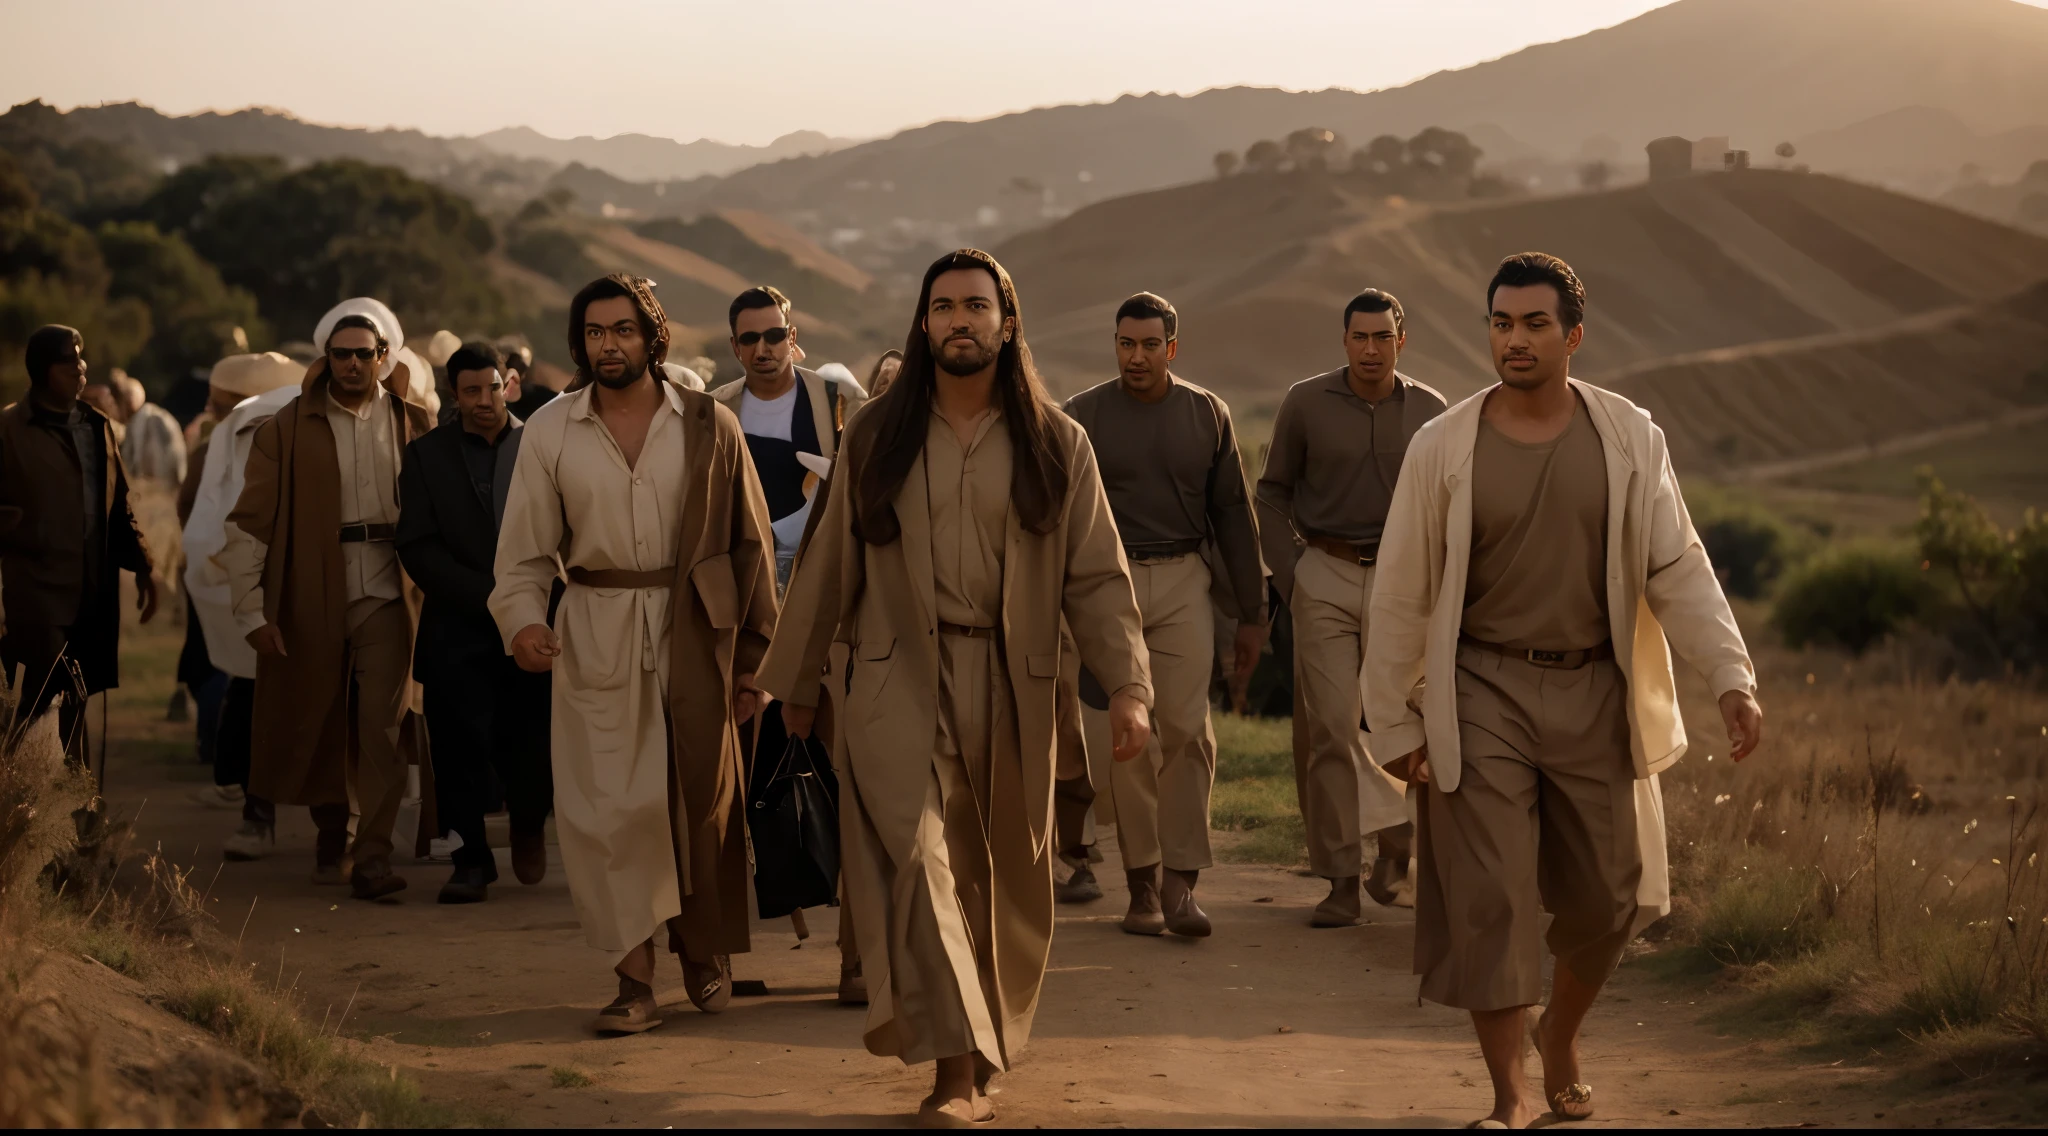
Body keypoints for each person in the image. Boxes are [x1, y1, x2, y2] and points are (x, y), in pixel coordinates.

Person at [1365, 252, 1764, 1128]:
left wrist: (1730, 676)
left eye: (1534, 324)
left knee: (1610, 896)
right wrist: (1393, 717)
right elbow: (1400, 587)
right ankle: (1509, 1097)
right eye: (1501, 323)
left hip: (1593, 688)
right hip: (1480, 689)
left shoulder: (1629, 436)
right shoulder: (1444, 447)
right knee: (1491, 897)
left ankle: (1564, 1036)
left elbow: (1676, 563)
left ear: (1573, 335)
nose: (1514, 340)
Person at [759, 249, 1152, 1127]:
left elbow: (1096, 577)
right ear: (924, 323)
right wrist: (795, 682)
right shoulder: (878, 435)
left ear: (1008, 324)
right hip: (897, 681)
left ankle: (981, 1045)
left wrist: (1127, 685)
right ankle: (954, 1077)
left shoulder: (1059, 442)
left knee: (996, 880)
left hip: (1017, 684)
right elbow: (829, 565)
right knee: (921, 868)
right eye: (943, 307)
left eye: (977, 306)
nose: (959, 320)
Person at [489, 273, 778, 1034]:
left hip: (696, 633)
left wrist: (756, 660)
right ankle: (632, 982)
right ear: (579, 343)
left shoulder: (709, 423)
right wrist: (522, 621)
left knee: (695, 804)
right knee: (607, 815)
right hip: (594, 630)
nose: (608, 345)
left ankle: (702, 950)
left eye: (622, 330)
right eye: (594, 333)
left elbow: (752, 549)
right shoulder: (550, 430)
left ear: (651, 336)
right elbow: (521, 553)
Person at [1062, 293, 1265, 938]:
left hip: (1183, 579)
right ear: (1115, 345)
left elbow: (1233, 513)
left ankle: (1183, 882)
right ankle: (1143, 883)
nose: (1137, 356)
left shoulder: (1207, 413)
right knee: (1131, 738)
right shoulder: (1083, 417)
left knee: (1187, 728)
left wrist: (1253, 613)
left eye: (1150, 345)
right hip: (1108, 583)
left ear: (1171, 348)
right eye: (1126, 344)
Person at [222, 303, 435, 899]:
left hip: (390, 590)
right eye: (339, 354)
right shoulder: (287, 427)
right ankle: (329, 832)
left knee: (382, 728)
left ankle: (371, 855)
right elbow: (248, 525)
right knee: (319, 717)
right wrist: (251, 611)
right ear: (326, 358)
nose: (350, 364)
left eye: (362, 354)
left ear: (382, 358)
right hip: (310, 588)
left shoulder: (412, 422)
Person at [1255, 288, 1447, 926]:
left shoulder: (1432, 412)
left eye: (1382, 337)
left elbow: (1448, 507)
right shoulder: (1305, 402)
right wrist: (1293, 574)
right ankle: (1338, 877)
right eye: (1360, 337)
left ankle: (1396, 851)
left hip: (1405, 585)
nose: (1371, 348)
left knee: (1403, 724)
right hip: (1326, 576)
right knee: (1334, 728)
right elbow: (1272, 492)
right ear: (1344, 341)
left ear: (1401, 340)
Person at [397, 342, 555, 904]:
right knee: (458, 749)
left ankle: (530, 824)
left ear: (509, 384)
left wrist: (526, 602)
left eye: (493, 388)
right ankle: (470, 861)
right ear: (454, 394)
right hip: (458, 626)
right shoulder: (427, 457)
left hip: (536, 626)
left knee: (534, 743)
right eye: (471, 391)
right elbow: (417, 545)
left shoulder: (542, 444)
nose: (484, 400)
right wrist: (491, 597)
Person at [0, 325, 160, 761]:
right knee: (36, 695)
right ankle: (16, 795)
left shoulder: (96, 427)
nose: (80, 367)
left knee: (76, 697)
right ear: (42, 369)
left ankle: (82, 813)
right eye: (68, 360)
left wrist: (146, 567)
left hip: (91, 590)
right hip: (34, 590)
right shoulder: (10, 429)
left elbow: (119, 506)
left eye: (81, 357)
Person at [181, 353, 304, 845]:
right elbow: (209, 513)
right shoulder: (229, 440)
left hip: (307, 581)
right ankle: (256, 808)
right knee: (252, 691)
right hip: (253, 579)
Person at [711, 286, 867, 587]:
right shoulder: (714, 409)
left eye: (774, 336)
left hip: (821, 577)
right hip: (741, 580)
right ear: (735, 346)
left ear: (791, 337)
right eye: (749, 339)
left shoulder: (837, 400)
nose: (762, 349)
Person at [113, 370, 188, 485]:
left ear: (125, 402)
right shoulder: (156, 416)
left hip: (157, 495)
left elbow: (151, 472)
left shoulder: (149, 423)